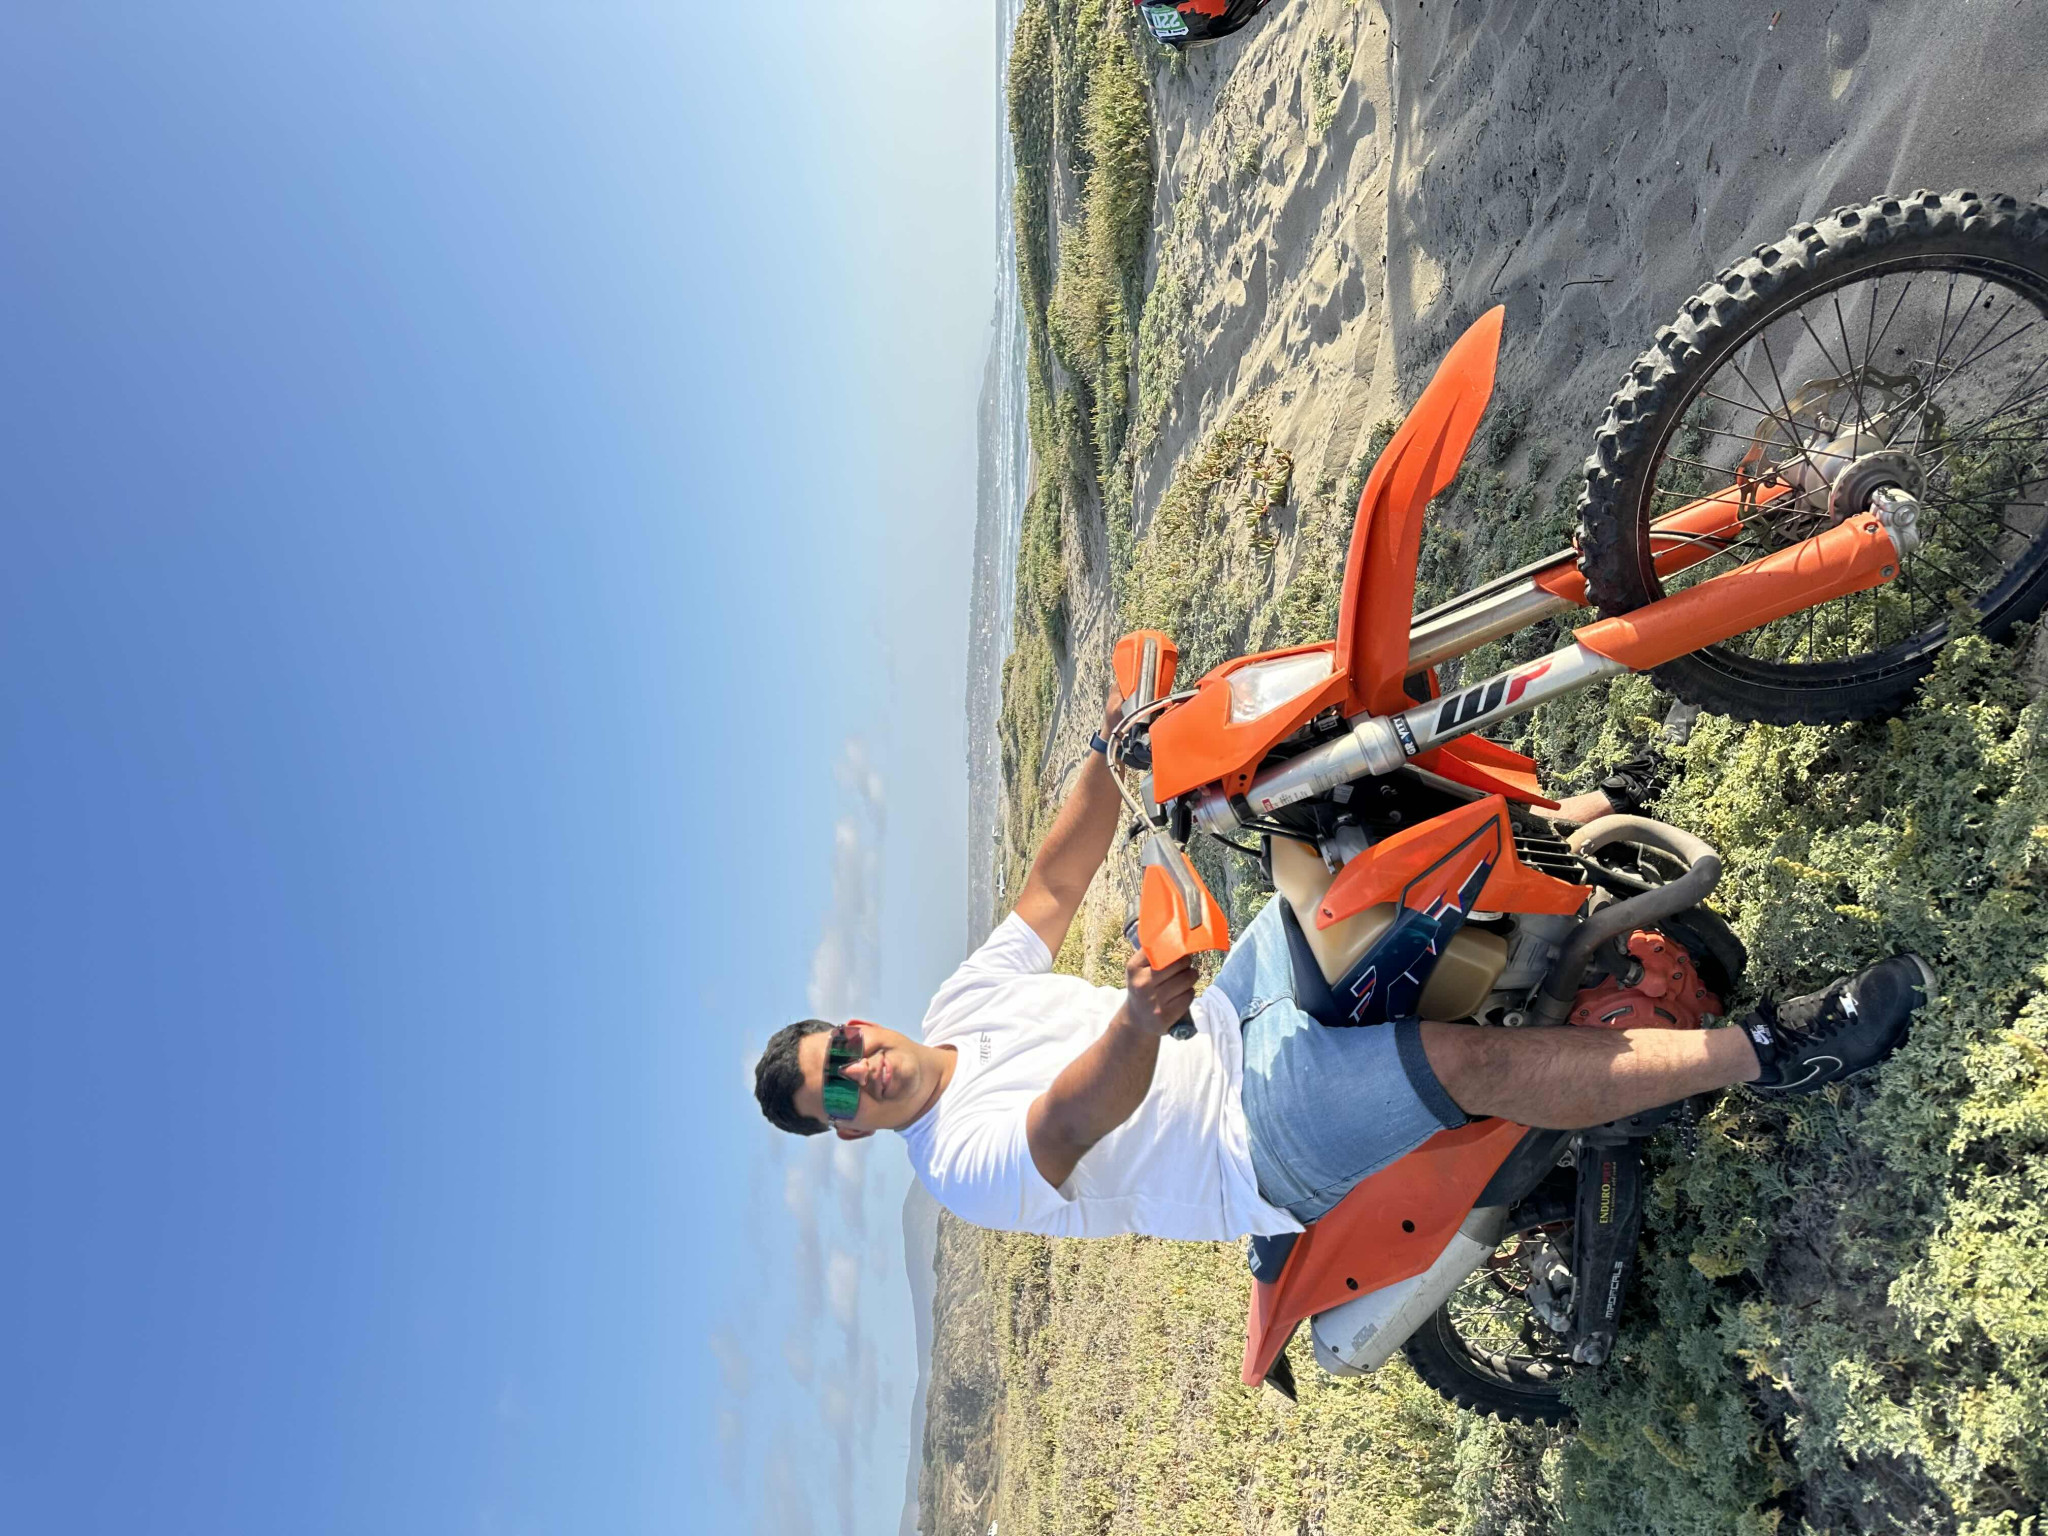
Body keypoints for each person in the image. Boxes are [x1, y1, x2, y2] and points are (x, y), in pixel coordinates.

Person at [752, 686, 1936, 1241]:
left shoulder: (958, 1002)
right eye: (837, 1093)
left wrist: (1110, 752)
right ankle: (1779, 1048)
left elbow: (1052, 887)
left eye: (838, 1048)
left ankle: (1583, 820)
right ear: (848, 1132)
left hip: (1230, 1017)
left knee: (1363, 849)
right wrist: (1131, 1022)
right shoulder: (954, 1167)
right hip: (1247, 1147)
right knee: (1460, 1061)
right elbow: (1066, 1120)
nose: (859, 1069)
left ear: (855, 1020)